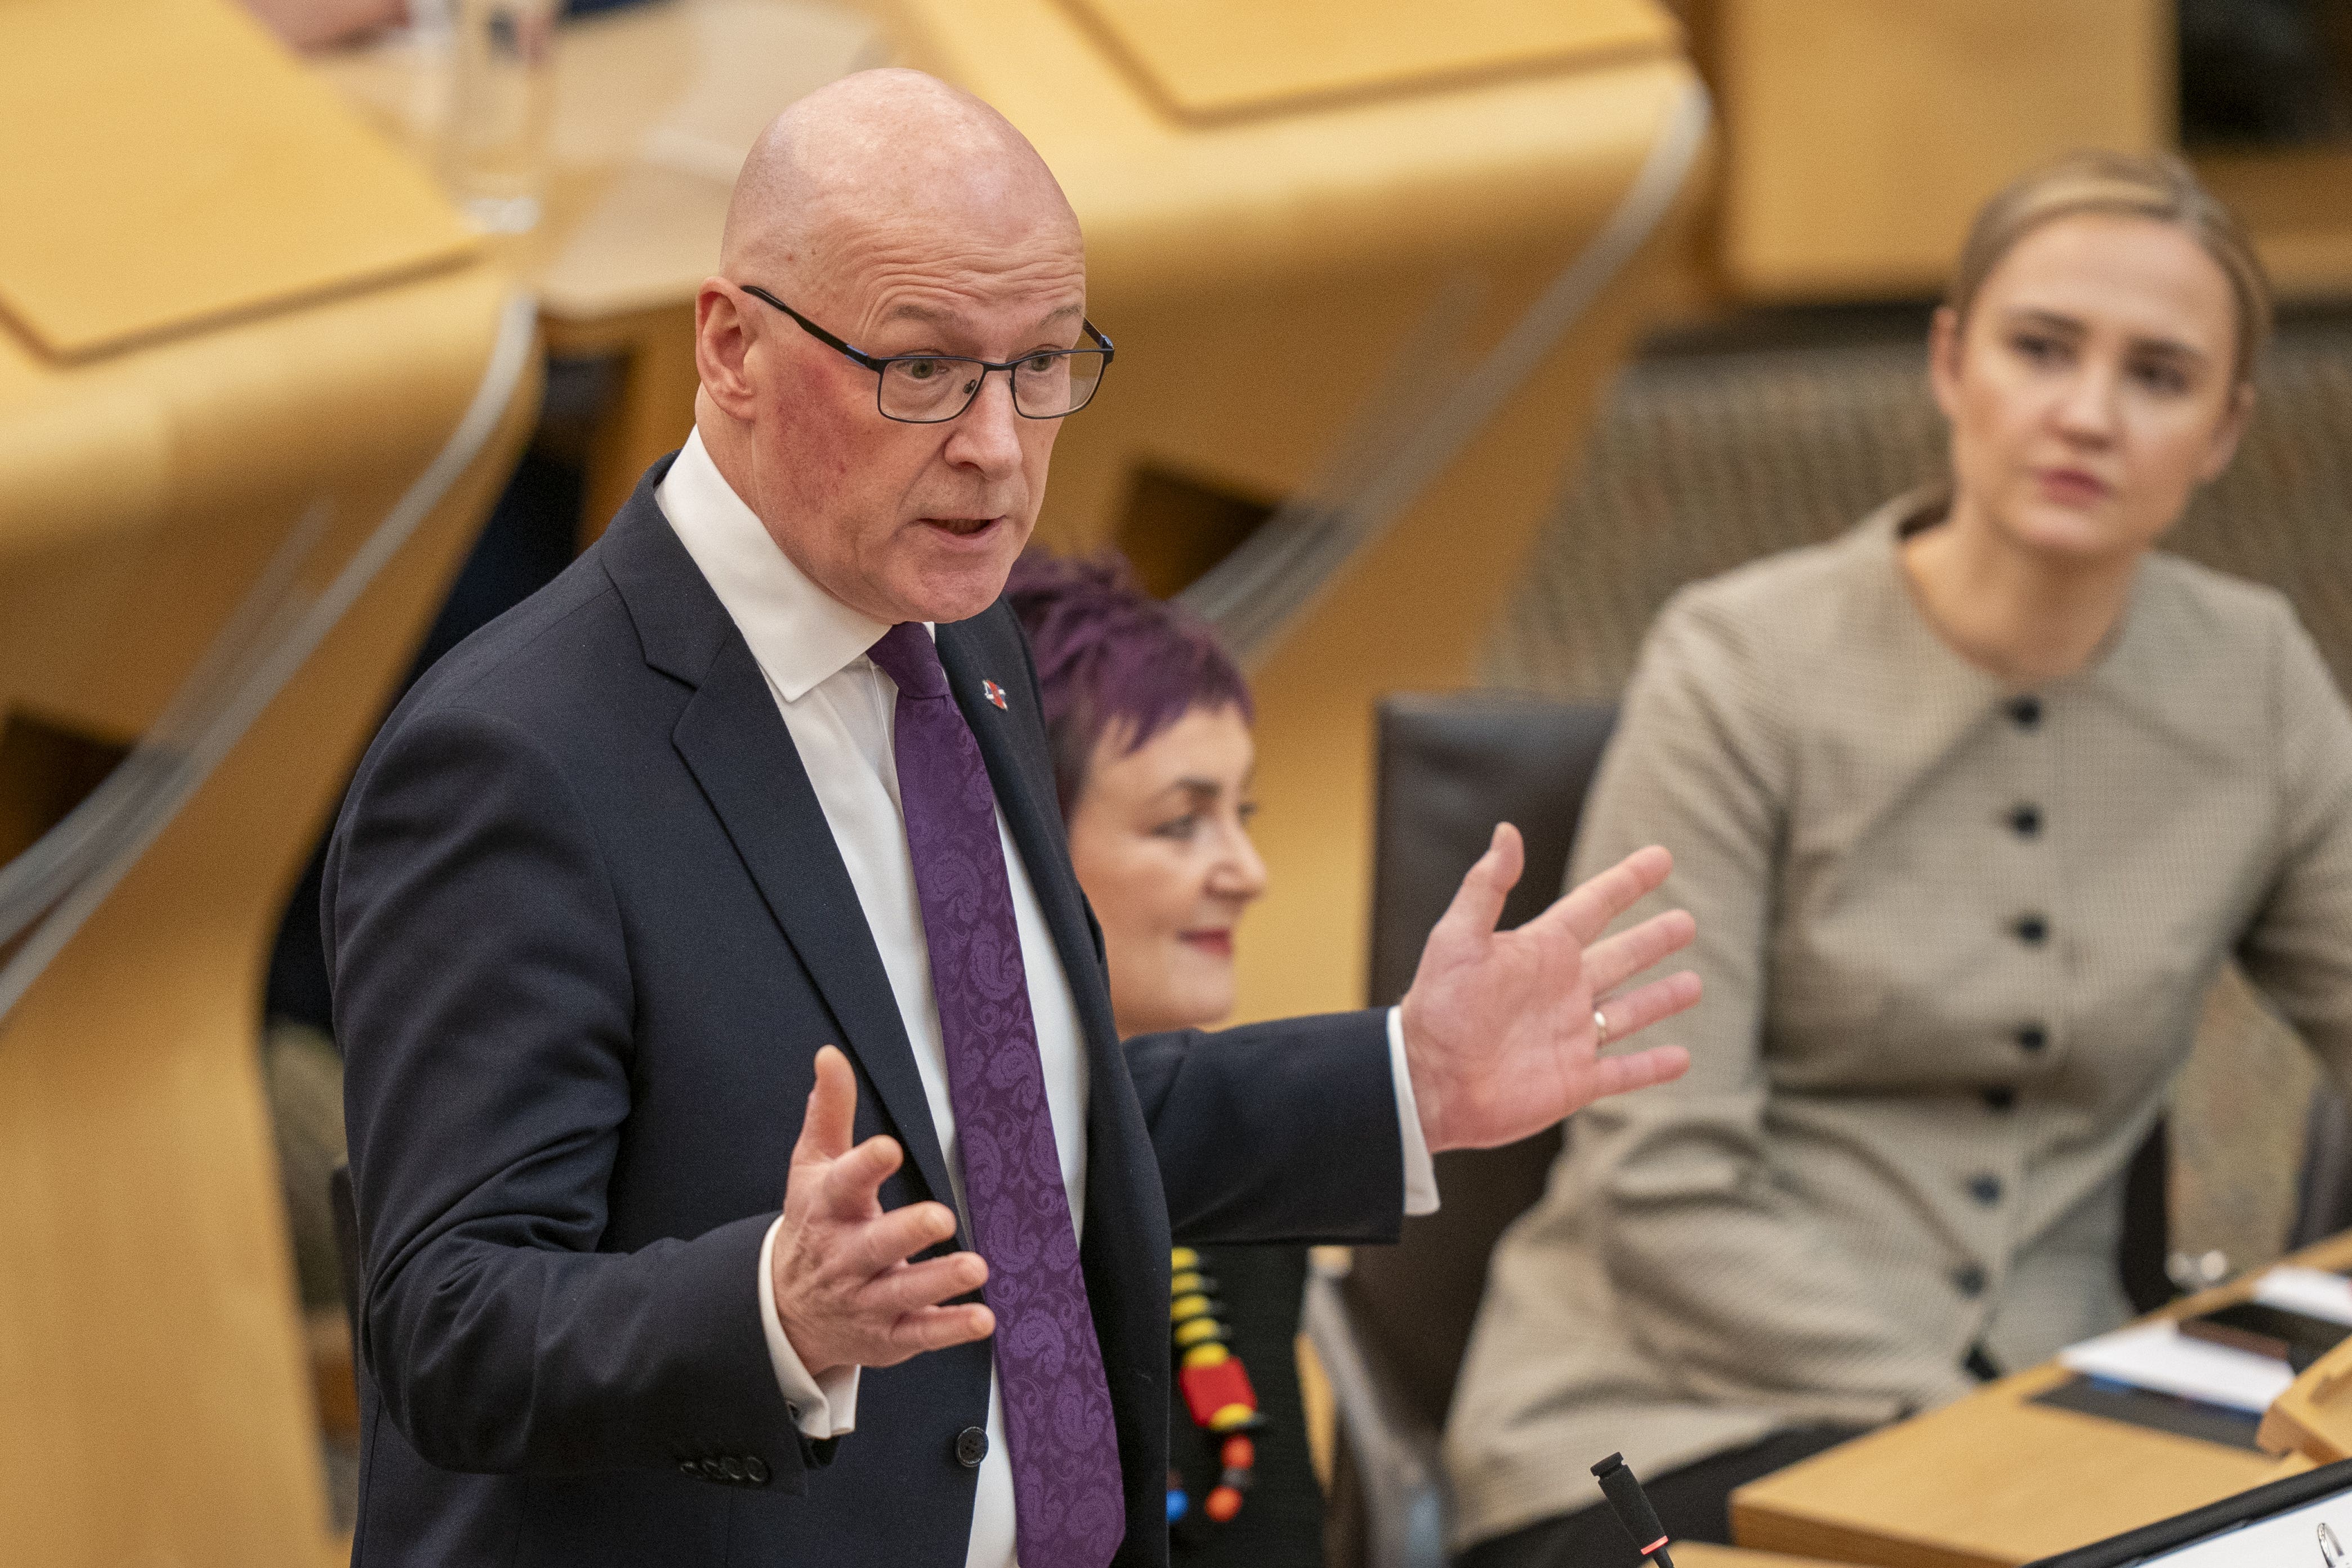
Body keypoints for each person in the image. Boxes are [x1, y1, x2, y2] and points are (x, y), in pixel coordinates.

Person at [329, 68, 1699, 1568]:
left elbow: (1016, 1132)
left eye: (1042, 363)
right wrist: (771, 1309)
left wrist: (1400, 1079)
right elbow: (447, 1322)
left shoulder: (962, 639)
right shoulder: (512, 759)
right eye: (922, 369)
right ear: (730, 347)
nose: (996, 445)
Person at [1446, 150, 2352, 1567]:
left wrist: (2040, 1456)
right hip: (1672, 1417)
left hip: (2072, 1425)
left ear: (2226, 427)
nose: (2086, 412)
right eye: (2040, 348)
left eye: (2158, 376)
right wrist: (1975, 1441)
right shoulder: (1738, 663)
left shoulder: (2257, 680)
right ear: (1948, 361)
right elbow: (1660, 1176)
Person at [1005, 553, 1319, 1566]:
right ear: (1016, 844)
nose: (1247, 872)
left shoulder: (1243, 1152)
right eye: (1183, 822)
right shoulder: (945, 1183)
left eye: (1242, 814)